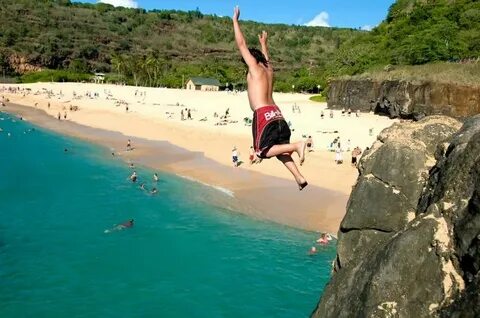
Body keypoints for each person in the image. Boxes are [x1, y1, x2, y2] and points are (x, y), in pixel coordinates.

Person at [233, 6, 307, 190]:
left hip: (264, 115)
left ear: (251, 59)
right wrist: (264, 43)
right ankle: (299, 177)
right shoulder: (269, 69)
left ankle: (298, 145)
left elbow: (241, 44)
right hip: (278, 114)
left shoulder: (255, 67)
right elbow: (267, 58)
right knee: (280, 149)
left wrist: (235, 20)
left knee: (262, 151)